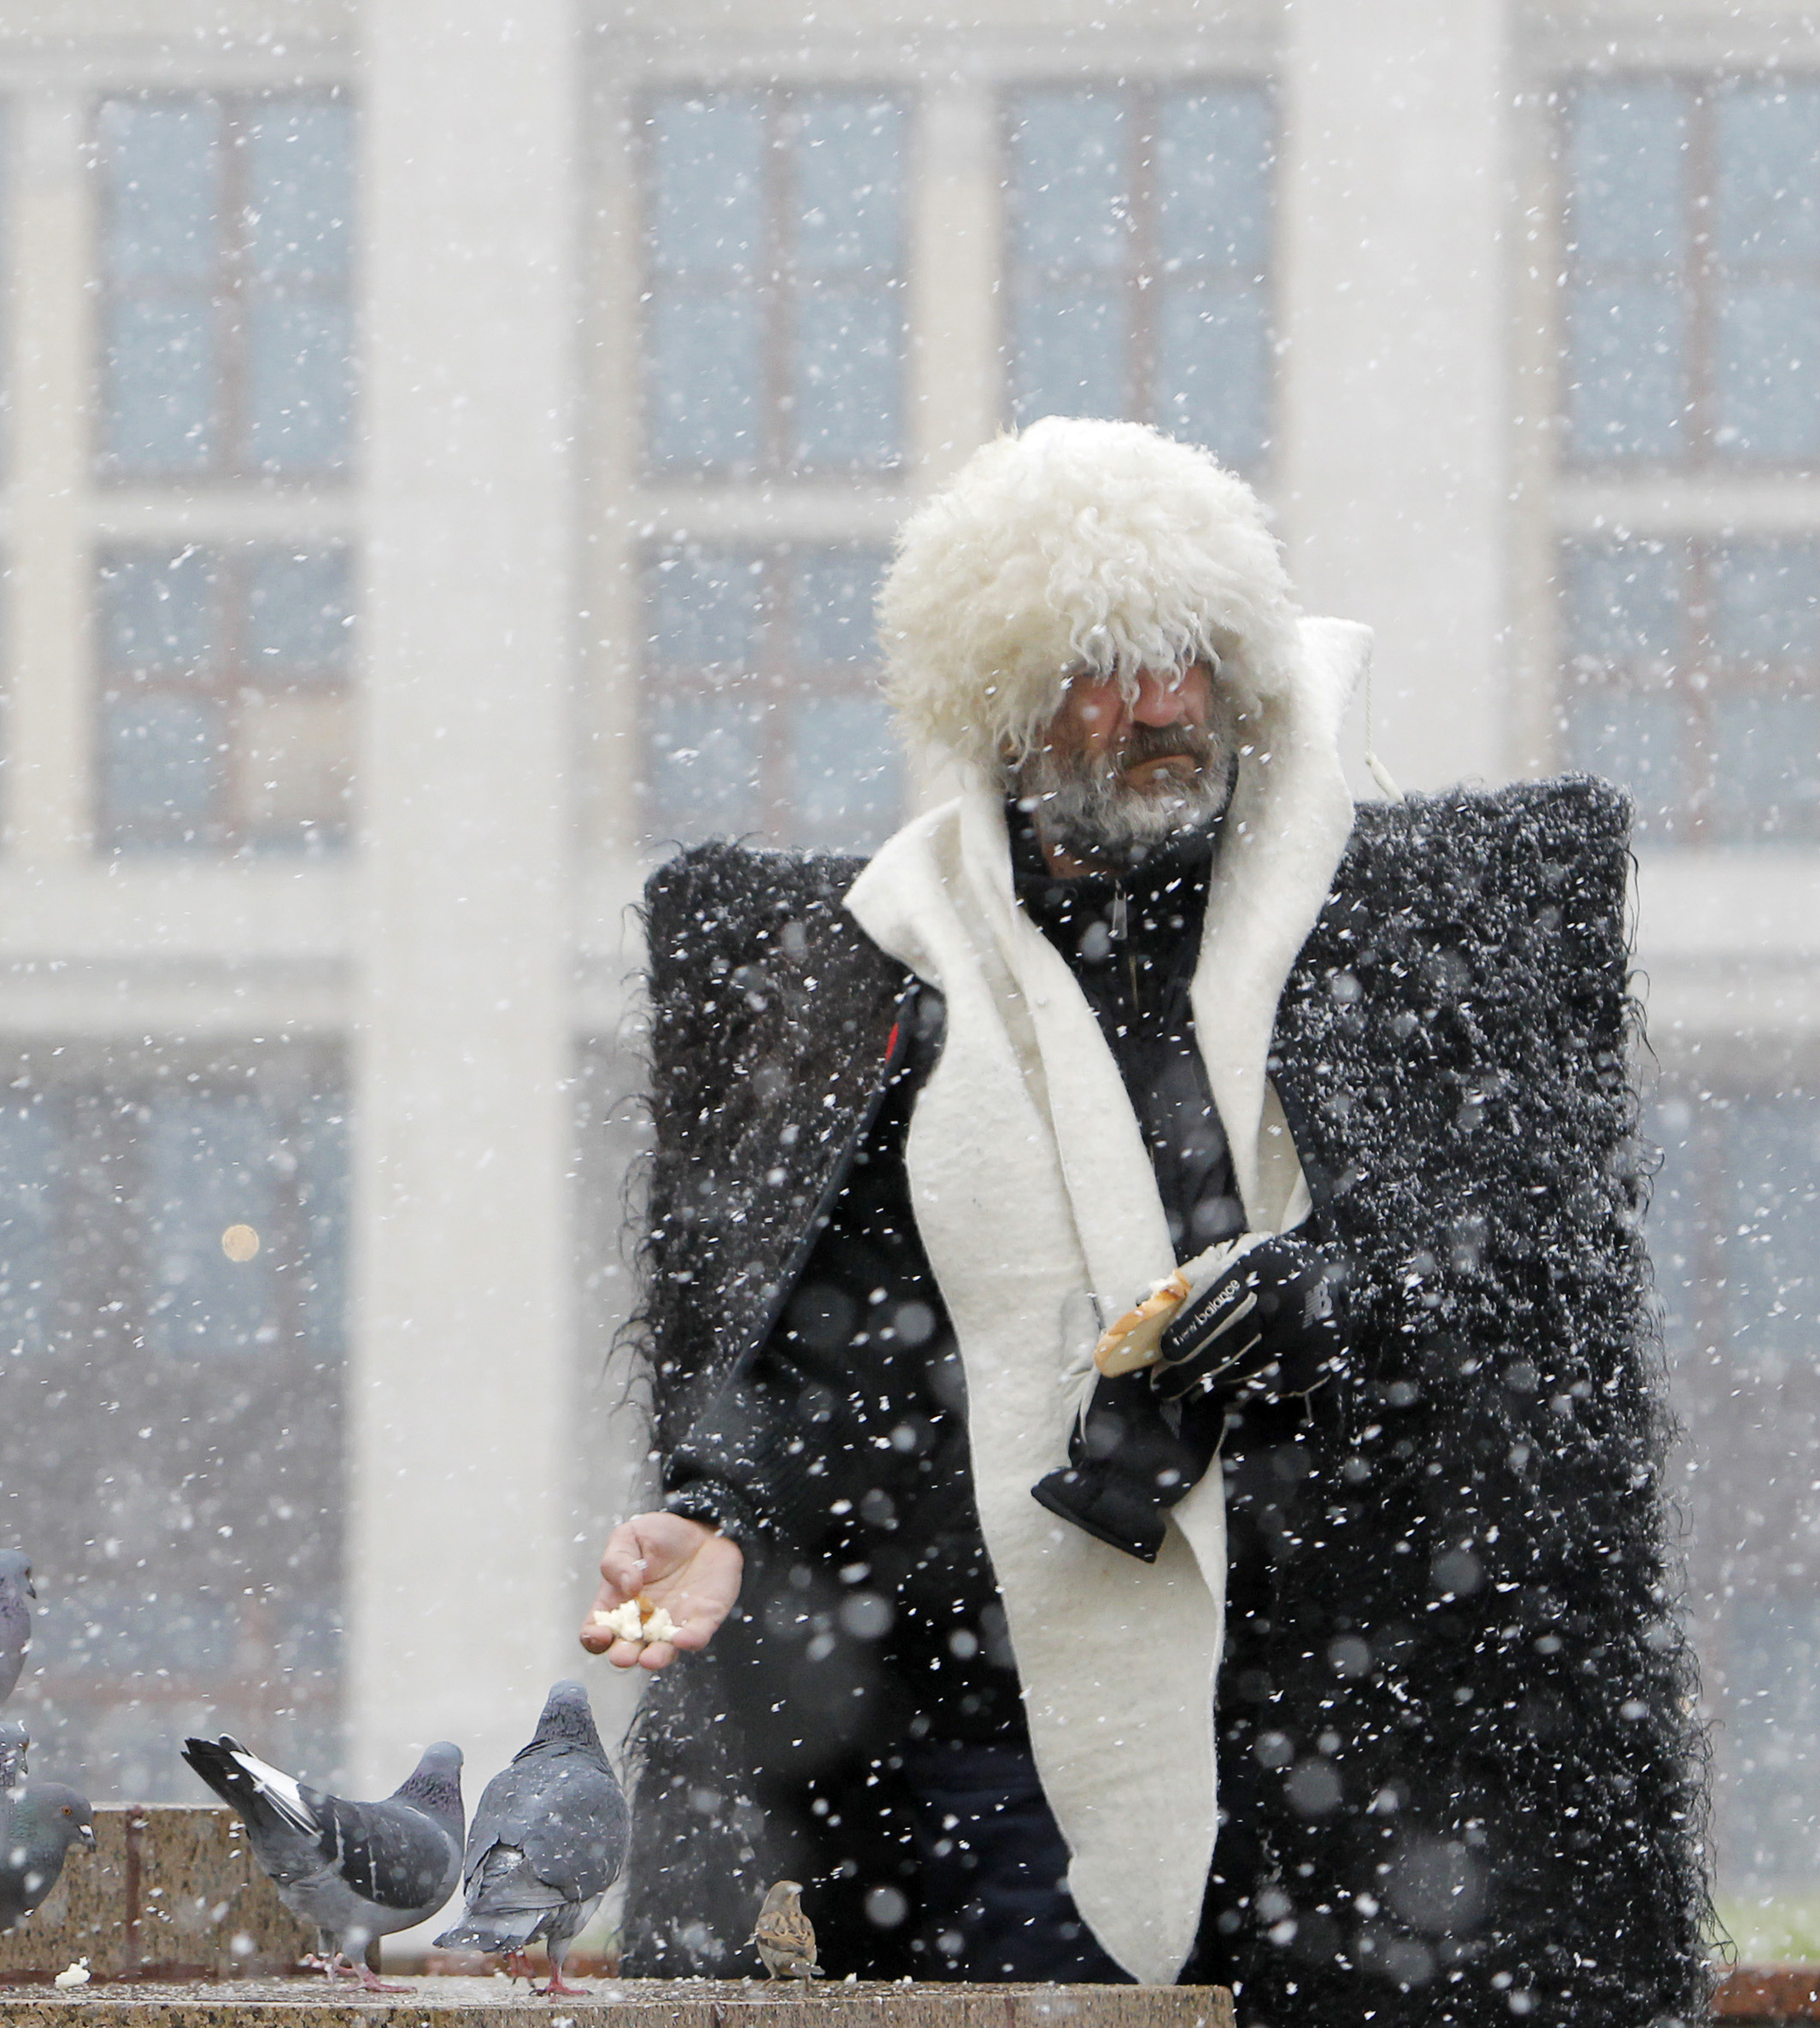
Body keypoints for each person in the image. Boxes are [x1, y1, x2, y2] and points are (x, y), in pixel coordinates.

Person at [582, 419, 1706, 2025]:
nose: (1166, 705)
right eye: (1108, 669)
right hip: (1005, 1744)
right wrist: (722, 1508)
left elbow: (1522, 1260)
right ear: (1006, 704)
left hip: (1354, 1725)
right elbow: (845, 1334)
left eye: (1195, 660)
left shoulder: (1381, 931)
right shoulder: (903, 972)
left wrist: (1335, 1297)